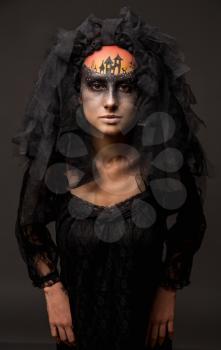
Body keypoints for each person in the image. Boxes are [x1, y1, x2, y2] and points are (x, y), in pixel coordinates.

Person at [13, 6, 209, 350]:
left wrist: (167, 288)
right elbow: (29, 226)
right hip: (79, 338)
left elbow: (191, 224)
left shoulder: (162, 167)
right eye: (97, 85)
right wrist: (52, 289)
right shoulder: (57, 171)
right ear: (78, 93)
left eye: (125, 87)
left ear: (142, 94)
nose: (111, 101)